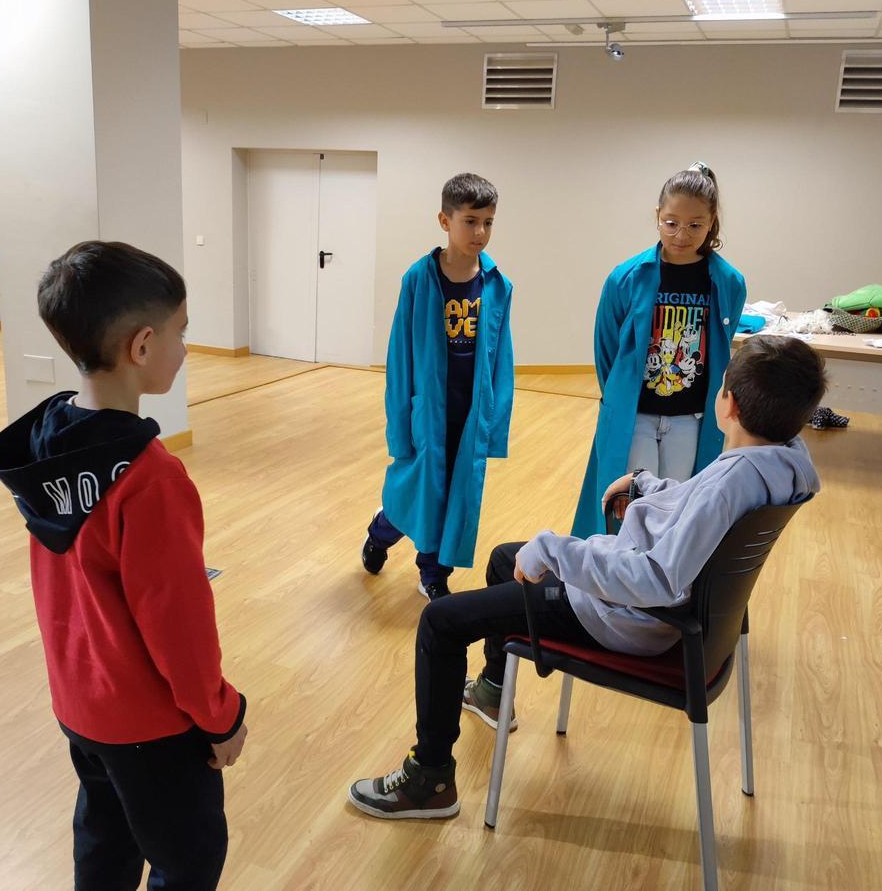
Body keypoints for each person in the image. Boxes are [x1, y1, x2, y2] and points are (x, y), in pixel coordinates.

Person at [347, 335, 825, 820]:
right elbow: (697, 514)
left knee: (440, 622)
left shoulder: (731, 482)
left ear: (729, 404)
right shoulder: (779, 463)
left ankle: (429, 780)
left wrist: (557, 551)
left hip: (624, 616)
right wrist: (646, 483)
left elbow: (658, 580)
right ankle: (493, 691)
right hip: (659, 612)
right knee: (502, 559)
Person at [0, 241, 247, 891]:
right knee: (189, 857)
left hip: (81, 706)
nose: (186, 348)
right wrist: (220, 715)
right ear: (143, 346)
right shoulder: (151, 480)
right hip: (151, 723)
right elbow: (178, 623)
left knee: (105, 843)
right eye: (182, 333)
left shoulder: (47, 447)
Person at [360, 173, 515, 601]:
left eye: (488, 221)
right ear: (445, 221)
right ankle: (380, 532)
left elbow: (503, 360)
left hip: (469, 412)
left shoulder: (497, 286)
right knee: (417, 491)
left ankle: (433, 574)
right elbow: (400, 357)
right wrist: (399, 425)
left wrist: (494, 424)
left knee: (457, 498)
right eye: (470, 221)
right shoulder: (419, 279)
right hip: (427, 410)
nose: (480, 232)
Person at [573, 162, 748, 539]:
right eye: (671, 223)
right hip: (635, 416)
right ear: (657, 216)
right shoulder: (626, 277)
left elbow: (720, 347)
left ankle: (661, 587)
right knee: (632, 506)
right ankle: (622, 585)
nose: (682, 234)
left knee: (677, 506)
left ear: (712, 222)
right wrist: (620, 398)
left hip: (691, 418)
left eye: (695, 225)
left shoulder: (728, 282)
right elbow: (606, 349)